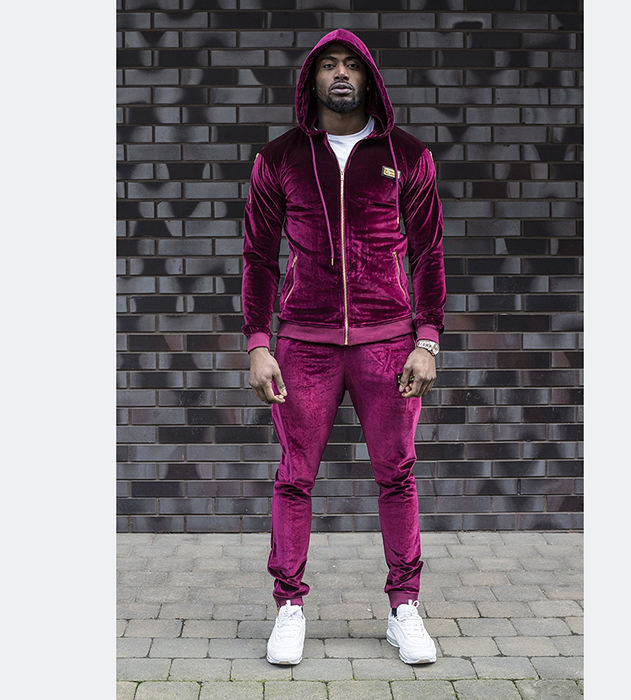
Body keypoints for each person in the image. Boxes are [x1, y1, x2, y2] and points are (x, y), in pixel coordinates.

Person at [241, 28, 446, 666]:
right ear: (312, 80)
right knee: (295, 476)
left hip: (389, 341)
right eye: (327, 64)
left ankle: (404, 607)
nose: (339, 74)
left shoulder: (408, 156)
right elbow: (258, 256)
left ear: (368, 79)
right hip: (304, 343)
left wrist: (428, 340)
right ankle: (289, 607)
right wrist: (258, 342)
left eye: (350, 65)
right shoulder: (279, 158)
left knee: (398, 474)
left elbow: (429, 253)